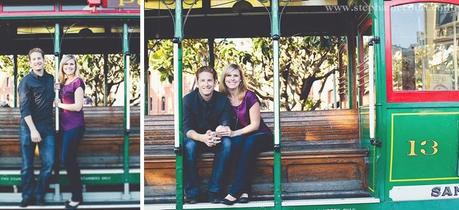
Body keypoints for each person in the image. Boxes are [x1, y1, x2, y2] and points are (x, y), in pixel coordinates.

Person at [219, 64, 273, 205]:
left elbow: (255, 125)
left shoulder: (249, 96)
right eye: (229, 75)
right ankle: (245, 191)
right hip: (242, 138)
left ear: (241, 79)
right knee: (235, 144)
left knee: (246, 142)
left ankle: (235, 191)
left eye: (235, 75)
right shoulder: (222, 98)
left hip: (261, 135)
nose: (232, 79)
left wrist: (234, 133)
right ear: (224, 79)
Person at [183, 66, 234, 204]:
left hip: (215, 139)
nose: (206, 84)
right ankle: (192, 193)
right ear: (197, 82)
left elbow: (225, 122)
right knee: (188, 146)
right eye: (203, 80)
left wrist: (217, 132)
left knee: (228, 143)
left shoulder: (222, 100)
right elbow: (187, 129)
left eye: (209, 80)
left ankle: (214, 191)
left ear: (215, 81)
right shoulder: (187, 100)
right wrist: (202, 138)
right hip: (196, 140)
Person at [18, 48, 55, 207]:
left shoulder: (51, 79)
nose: (37, 61)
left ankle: (39, 194)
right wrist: (33, 129)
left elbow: (56, 96)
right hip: (28, 127)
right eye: (34, 59)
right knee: (27, 165)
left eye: (39, 58)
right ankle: (27, 197)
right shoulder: (26, 81)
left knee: (50, 163)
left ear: (43, 60)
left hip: (47, 127)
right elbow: (24, 108)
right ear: (30, 62)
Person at [55, 55, 85, 209]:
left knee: (67, 159)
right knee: (69, 159)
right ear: (62, 66)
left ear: (75, 65)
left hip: (74, 126)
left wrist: (59, 105)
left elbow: (78, 106)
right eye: (66, 64)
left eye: (71, 64)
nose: (68, 67)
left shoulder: (78, 82)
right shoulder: (62, 82)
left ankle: (77, 197)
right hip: (64, 127)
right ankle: (77, 194)